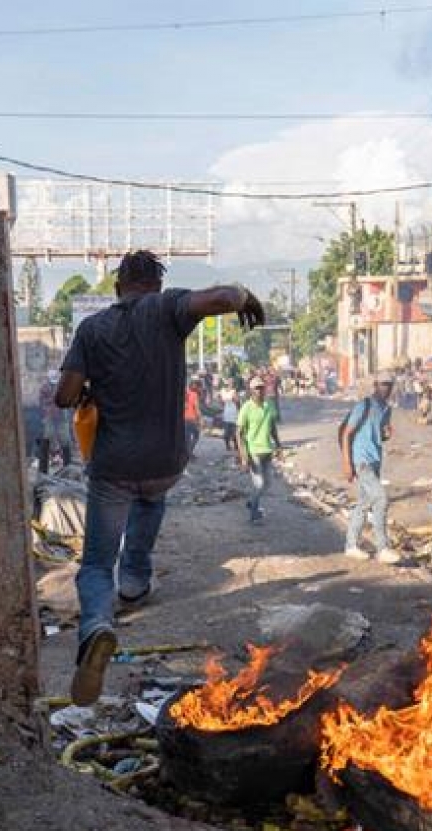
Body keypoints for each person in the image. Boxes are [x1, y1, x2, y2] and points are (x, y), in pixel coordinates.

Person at [54, 249, 265, 706]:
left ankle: (97, 625)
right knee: (151, 500)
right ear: (155, 283)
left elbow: (64, 395)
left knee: (94, 563)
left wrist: (92, 388)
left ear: (118, 287)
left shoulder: (92, 329)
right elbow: (223, 296)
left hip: (114, 464)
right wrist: (244, 297)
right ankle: (135, 581)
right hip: (166, 461)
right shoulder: (168, 308)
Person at [341, 376, 401, 564]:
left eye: (389, 385)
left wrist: (386, 435)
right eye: (383, 384)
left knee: (363, 504)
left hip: (375, 461)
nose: (386, 389)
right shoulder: (363, 406)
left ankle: (351, 546)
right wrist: (346, 463)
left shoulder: (386, 409)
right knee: (381, 498)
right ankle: (382, 548)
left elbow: (378, 436)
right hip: (361, 461)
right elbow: (346, 433)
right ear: (375, 386)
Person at [236, 377, 280, 525]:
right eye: (256, 388)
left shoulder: (269, 405)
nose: (260, 390)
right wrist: (243, 456)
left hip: (267, 450)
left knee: (268, 484)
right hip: (253, 451)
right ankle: (254, 516)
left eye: (261, 387)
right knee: (259, 484)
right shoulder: (246, 408)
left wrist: (278, 444)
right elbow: (239, 433)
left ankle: (252, 501)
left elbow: (273, 427)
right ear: (251, 390)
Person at [38, 371, 73, 471]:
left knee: (65, 437)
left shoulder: (62, 385)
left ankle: (68, 464)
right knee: (48, 436)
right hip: (50, 416)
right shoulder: (44, 388)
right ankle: (46, 465)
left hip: (62, 416)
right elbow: (41, 403)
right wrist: (47, 411)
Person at [183, 379, 203, 459]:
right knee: (196, 435)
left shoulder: (184, 393)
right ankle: (189, 453)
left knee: (187, 437)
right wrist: (200, 419)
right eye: (200, 387)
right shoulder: (194, 394)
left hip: (183, 419)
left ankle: (187, 453)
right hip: (191, 419)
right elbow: (196, 408)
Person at [219, 381, 240, 452]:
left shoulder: (228, 391)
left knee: (231, 431)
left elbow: (237, 401)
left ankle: (233, 446)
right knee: (230, 431)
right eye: (228, 384)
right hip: (229, 413)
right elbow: (237, 401)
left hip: (230, 412)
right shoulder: (225, 391)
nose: (229, 385)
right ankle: (231, 446)